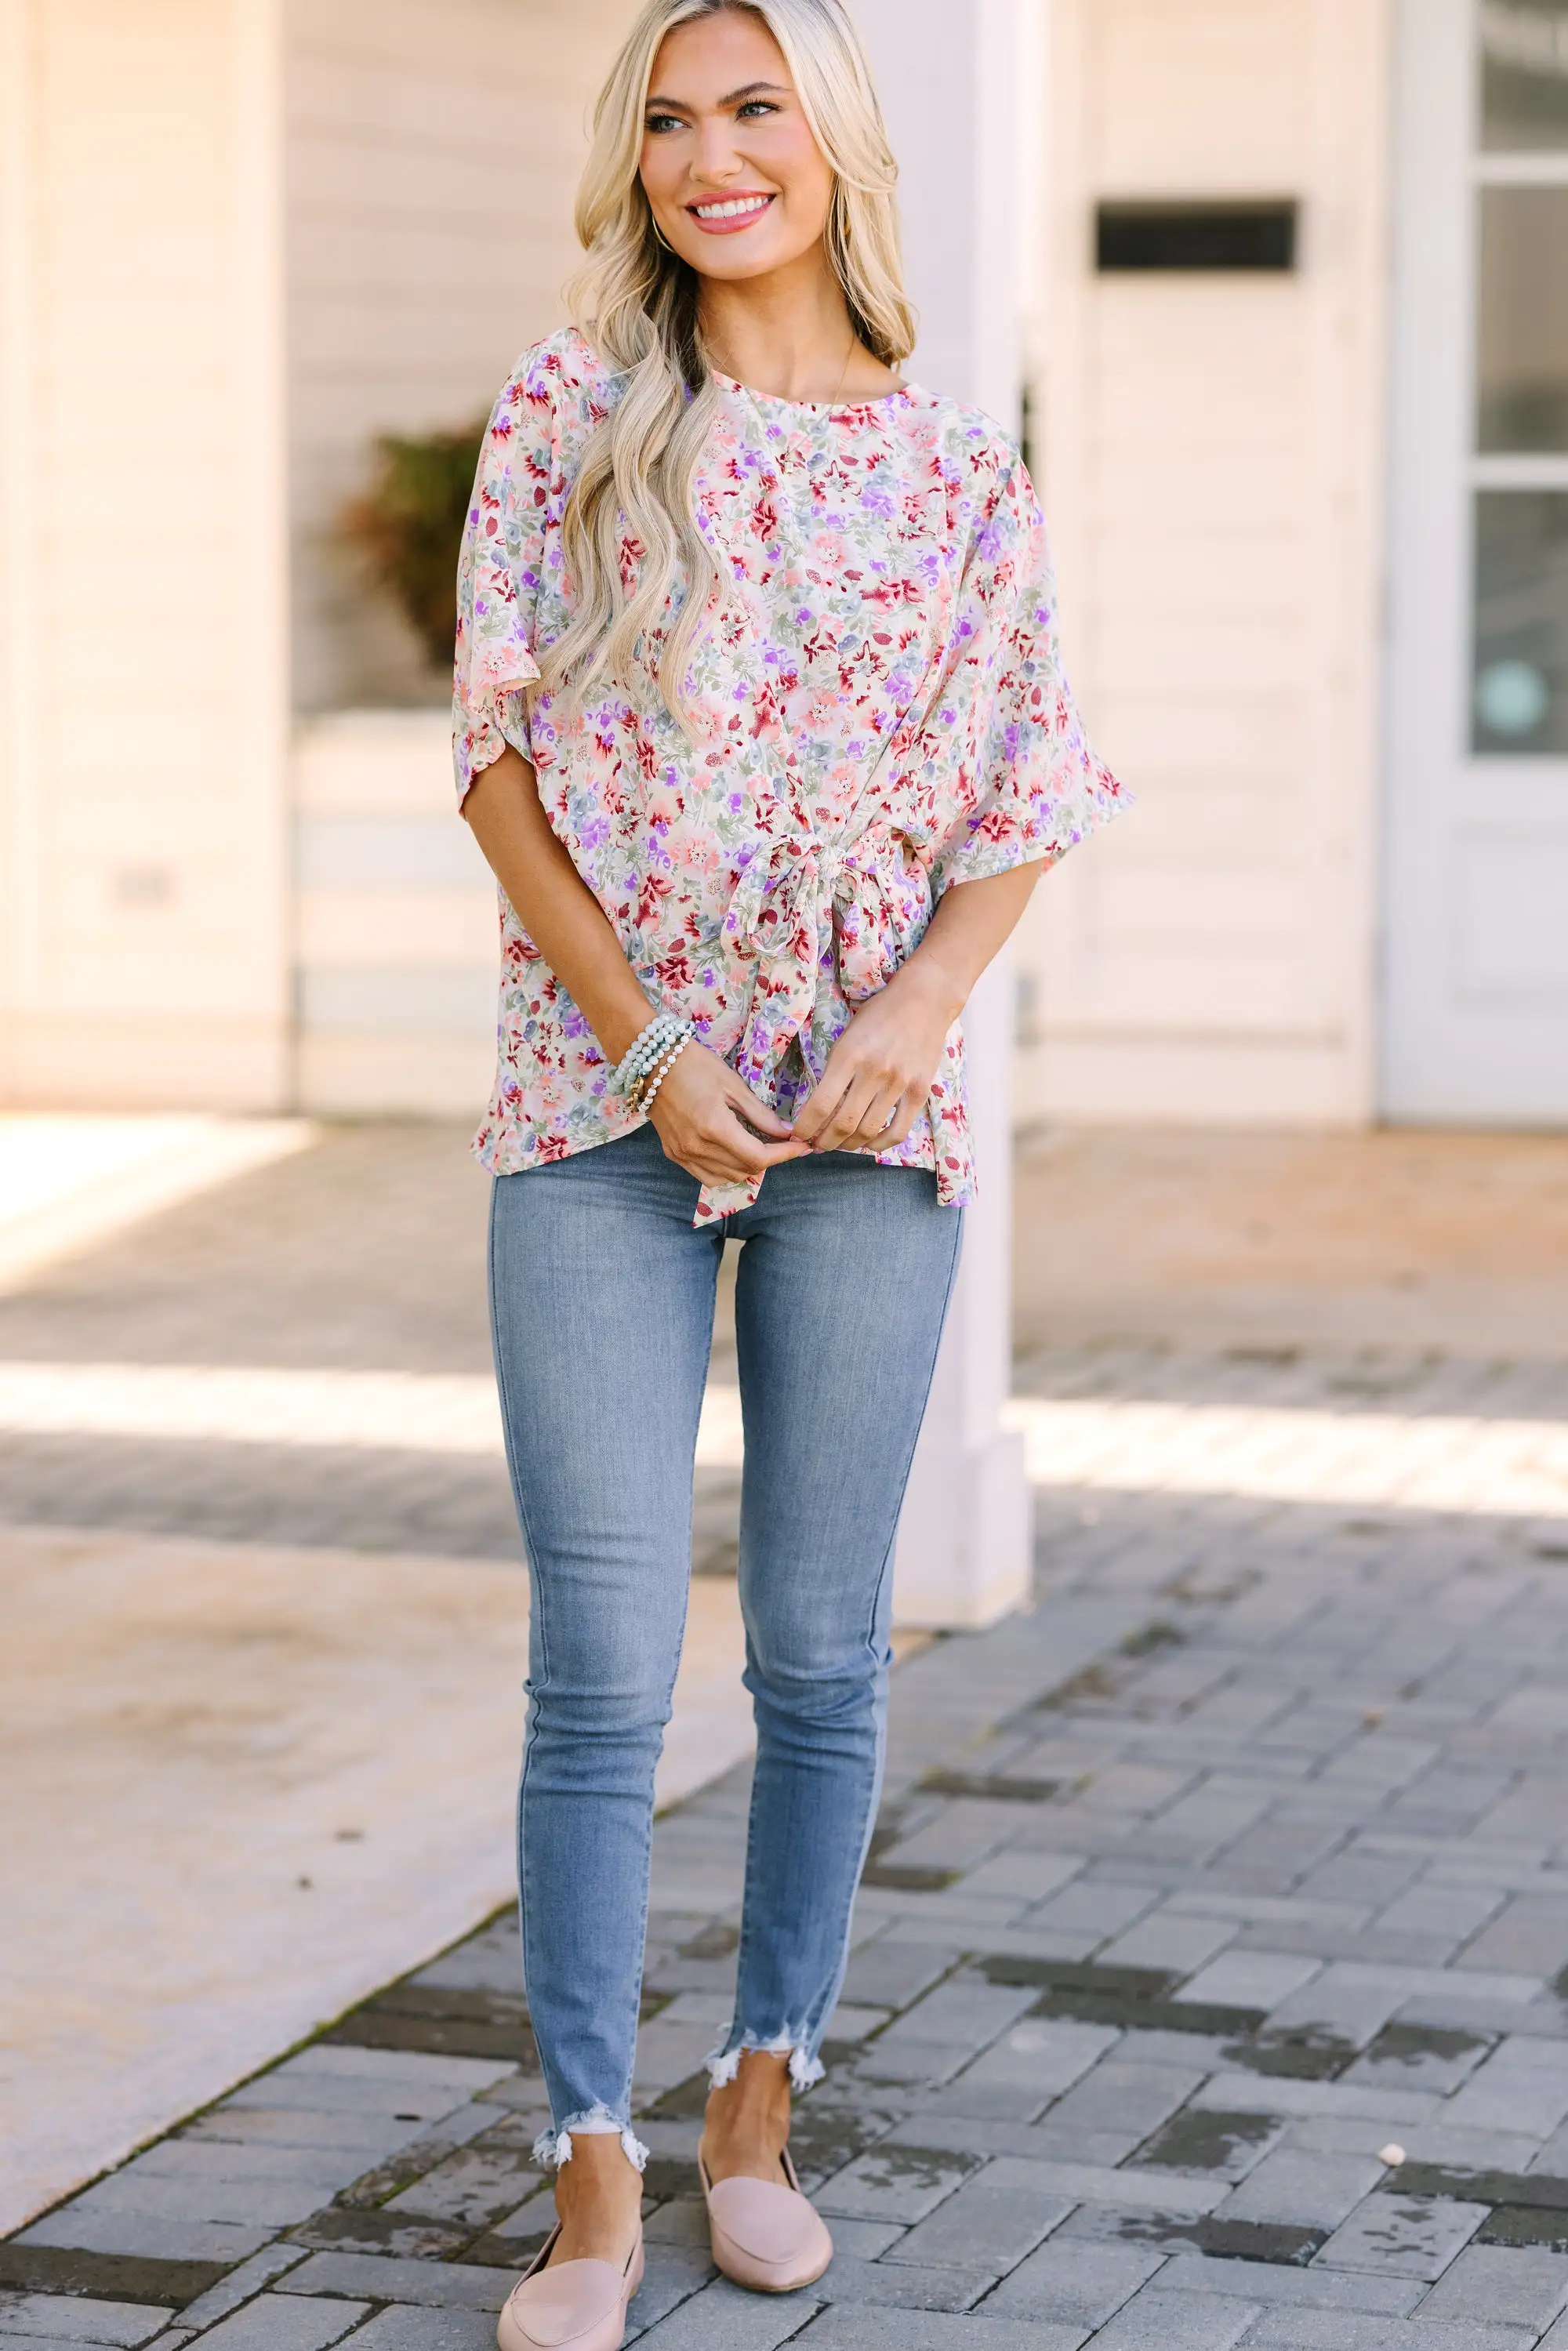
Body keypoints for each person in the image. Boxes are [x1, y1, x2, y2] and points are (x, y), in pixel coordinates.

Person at [454, 3, 1122, 2345]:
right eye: (665, 118)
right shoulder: (571, 418)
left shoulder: (961, 477)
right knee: (605, 1667)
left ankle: (759, 2095)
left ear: (833, 146)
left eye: (752, 111)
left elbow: (1030, 791)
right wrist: (644, 1047)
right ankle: (588, 2169)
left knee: (826, 1651)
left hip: (862, 1124)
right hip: (595, 1114)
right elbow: (500, 771)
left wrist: (918, 1016)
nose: (706, 156)